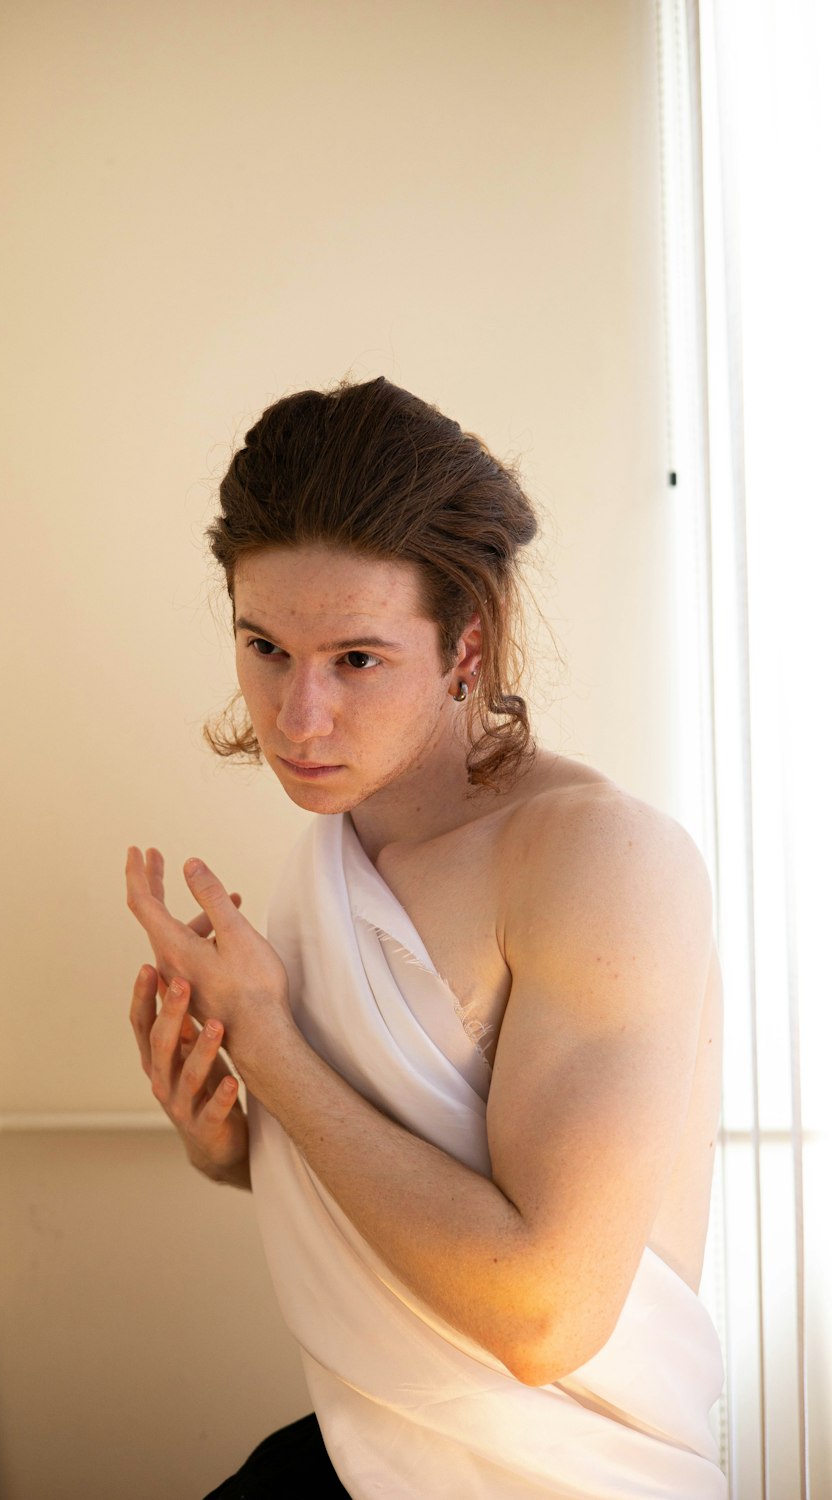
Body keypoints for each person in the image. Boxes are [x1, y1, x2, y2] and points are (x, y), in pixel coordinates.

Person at [125, 376, 726, 1499]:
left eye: (357, 659)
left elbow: (542, 1315)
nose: (298, 717)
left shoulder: (599, 860)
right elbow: (424, 1183)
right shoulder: (343, 850)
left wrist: (267, 1042)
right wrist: (240, 1146)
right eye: (264, 647)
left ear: (465, 646)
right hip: (367, 1450)